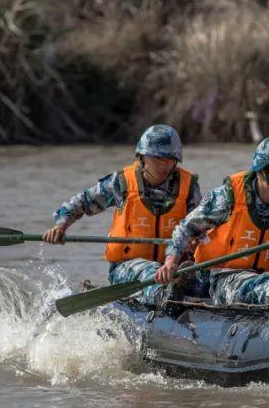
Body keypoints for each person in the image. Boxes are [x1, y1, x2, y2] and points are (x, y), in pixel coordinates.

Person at [154, 136, 269, 305]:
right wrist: (171, 262)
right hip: (221, 278)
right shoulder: (229, 196)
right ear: (263, 171)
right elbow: (186, 228)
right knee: (253, 285)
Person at [43, 125, 200, 304]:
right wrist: (60, 226)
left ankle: (189, 293)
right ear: (143, 156)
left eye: (169, 158)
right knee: (150, 271)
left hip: (174, 267)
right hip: (128, 267)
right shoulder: (121, 183)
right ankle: (167, 296)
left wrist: (196, 241)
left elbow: (201, 226)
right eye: (157, 157)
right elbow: (81, 202)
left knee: (201, 275)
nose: (164, 164)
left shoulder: (189, 188)